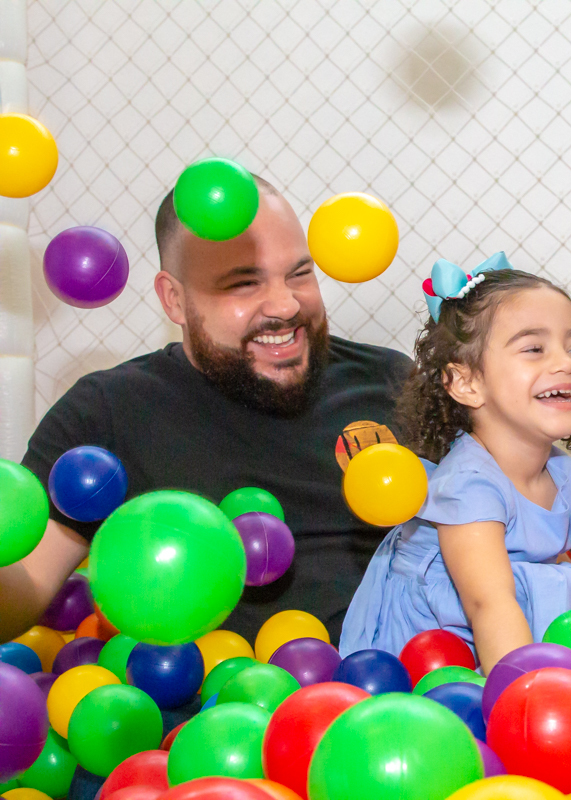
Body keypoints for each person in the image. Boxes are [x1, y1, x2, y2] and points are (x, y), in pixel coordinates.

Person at [2, 175, 412, 646]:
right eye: (243, 284)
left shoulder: (388, 381)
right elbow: (23, 587)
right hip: (207, 703)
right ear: (174, 299)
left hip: (389, 691)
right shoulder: (108, 412)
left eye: (300, 273)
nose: (284, 304)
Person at [339, 254, 571, 673]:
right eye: (534, 348)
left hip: (507, 633)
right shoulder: (468, 486)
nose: (566, 363)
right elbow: (489, 605)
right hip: (430, 650)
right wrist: (527, 699)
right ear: (466, 382)